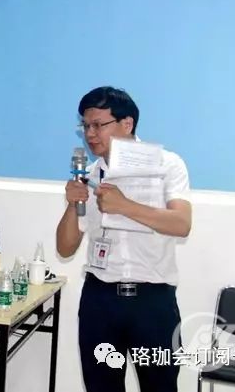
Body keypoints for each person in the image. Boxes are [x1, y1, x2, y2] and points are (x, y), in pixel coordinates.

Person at [55, 86, 192, 392]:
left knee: (160, 387)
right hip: (100, 299)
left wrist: (124, 206)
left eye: (98, 125)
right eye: (85, 126)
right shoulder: (90, 175)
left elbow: (182, 224)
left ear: (127, 123)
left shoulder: (167, 164)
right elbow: (65, 248)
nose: (90, 134)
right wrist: (72, 204)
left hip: (152, 301)